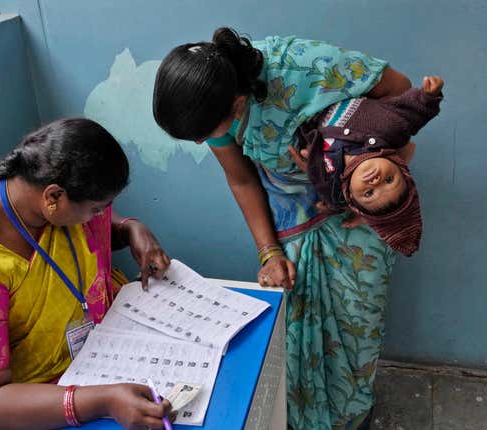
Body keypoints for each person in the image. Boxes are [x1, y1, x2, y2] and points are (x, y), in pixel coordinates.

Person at [153, 27, 414, 429]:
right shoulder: (208, 99)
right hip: (291, 223)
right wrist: (269, 251)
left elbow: (401, 93)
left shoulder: (307, 67)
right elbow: (241, 179)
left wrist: (381, 170)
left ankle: (352, 419)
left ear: (238, 103)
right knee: (295, 337)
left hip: (357, 216)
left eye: (207, 135)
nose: (205, 142)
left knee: (356, 331)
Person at [0, 118, 173, 429]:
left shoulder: (41, 196)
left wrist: (130, 229)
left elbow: (92, 227)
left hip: (89, 361)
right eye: (97, 208)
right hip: (4, 407)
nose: (102, 216)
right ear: (53, 198)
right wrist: (102, 400)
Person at [300, 76, 444, 256]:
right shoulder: (390, 129)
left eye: (369, 193)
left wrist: (309, 155)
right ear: (400, 166)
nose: (375, 181)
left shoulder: (331, 181)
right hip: (338, 82)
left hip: (305, 105)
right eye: (389, 180)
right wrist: (429, 97)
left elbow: (332, 197)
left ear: (350, 195)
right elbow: (413, 115)